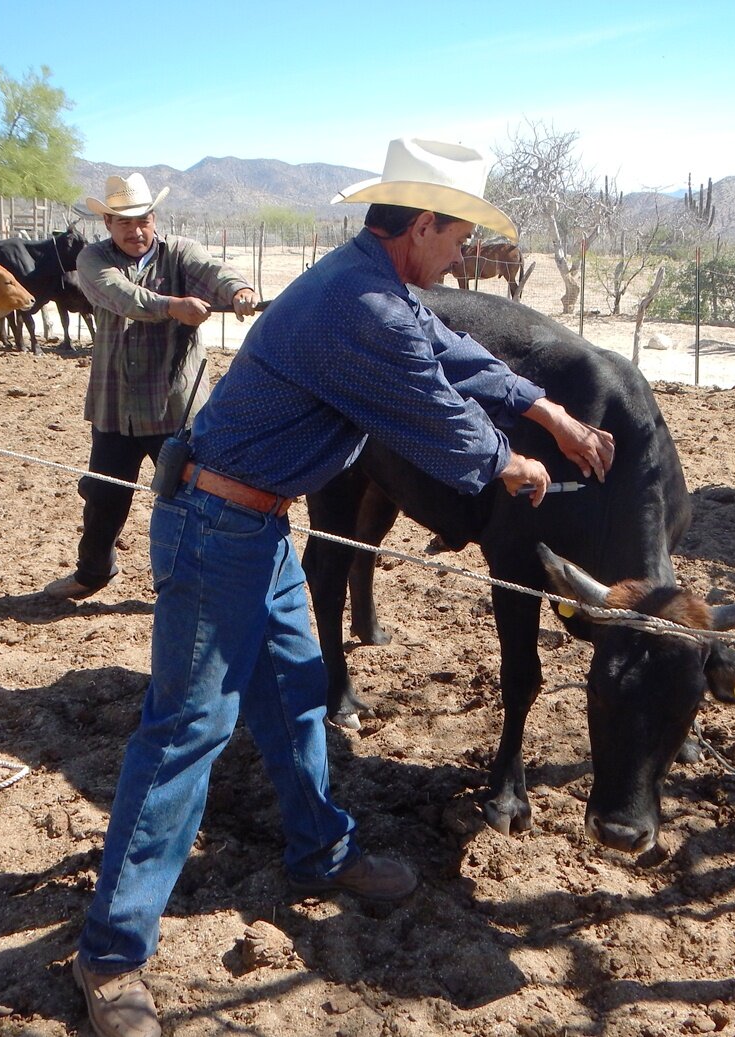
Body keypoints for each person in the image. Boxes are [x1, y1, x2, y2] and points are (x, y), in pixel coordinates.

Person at [71, 138, 615, 1037]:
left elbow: (456, 352)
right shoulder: (365, 305)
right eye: (458, 234)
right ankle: (110, 952)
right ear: (424, 224)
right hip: (217, 528)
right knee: (185, 731)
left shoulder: (377, 282)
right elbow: (437, 412)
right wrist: (511, 463)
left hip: (256, 522)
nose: (464, 253)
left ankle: (319, 849)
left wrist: (544, 406)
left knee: (293, 686)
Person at [44, 173, 259, 599]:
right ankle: (93, 572)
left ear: (154, 218)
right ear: (107, 224)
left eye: (142, 220)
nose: (135, 230)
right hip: (115, 406)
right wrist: (172, 307)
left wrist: (239, 290)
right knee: (104, 496)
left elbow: (214, 270)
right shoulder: (92, 259)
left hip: (176, 409)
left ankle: (200, 580)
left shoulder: (180, 252)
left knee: (194, 501)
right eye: (124, 222)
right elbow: (121, 296)